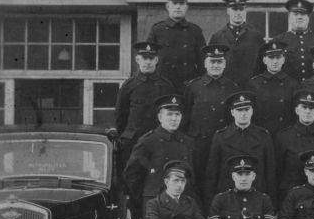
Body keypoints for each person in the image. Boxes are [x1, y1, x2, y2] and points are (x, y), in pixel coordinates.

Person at [124, 94, 196, 219]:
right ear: (160, 117)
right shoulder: (148, 141)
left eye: (177, 115)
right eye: (169, 114)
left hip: (181, 202)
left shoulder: (187, 142)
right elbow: (132, 173)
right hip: (155, 201)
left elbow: (192, 174)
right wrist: (145, 195)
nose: (173, 119)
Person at [182, 44, 240, 201]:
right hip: (199, 145)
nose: (216, 65)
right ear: (205, 63)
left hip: (224, 144)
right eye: (212, 62)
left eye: (219, 62)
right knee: (198, 182)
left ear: (225, 64)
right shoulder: (193, 87)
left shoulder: (232, 88)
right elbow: (185, 119)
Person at [204, 91, 276, 207]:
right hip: (227, 198)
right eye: (239, 110)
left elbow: (270, 174)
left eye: (246, 110)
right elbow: (212, 174)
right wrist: (210, 206)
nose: (243, 114)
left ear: (252, 111)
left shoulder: (264, 136)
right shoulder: (220, 137)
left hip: (256, 198)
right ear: (232, 112)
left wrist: (272, 206)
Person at [114, 41, 176, 176]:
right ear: (137, 59)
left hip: (158, 142)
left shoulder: (166, 86)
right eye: (144, 58)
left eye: (151, 58)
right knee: (131, 178)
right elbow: (120, 116)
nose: (147, 62)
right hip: (132, 142)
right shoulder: (129, 86)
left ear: (156, 60)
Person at [274, 90, 314, 203]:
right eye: (304, 107)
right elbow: (278, 170)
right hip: (291, 196)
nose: (307, 111)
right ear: (297, 110)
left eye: (311, 108)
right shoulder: (283, 136)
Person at [146, 0, 206, 91]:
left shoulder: (195, 31)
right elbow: (147, 59)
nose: (178, 6)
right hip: (163, 86)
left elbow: (202, 63)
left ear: (186, 7)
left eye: (182, 3)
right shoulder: (157, 30)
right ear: (168, 6)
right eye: (174, 3)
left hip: (188, 87)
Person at [208, 0, 264, 88]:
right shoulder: (217, 37)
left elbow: (263, 64)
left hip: (251, 88)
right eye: (234, 9)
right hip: (225, 88)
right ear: (228, 11)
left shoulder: (256, 36)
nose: (238, 13)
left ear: (245, 11)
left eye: (241, 9)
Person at [247, 40, 299, 136]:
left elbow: (295, 114)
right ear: (264, 60)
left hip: (285, 134)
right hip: (261, 134)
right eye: (271, 58)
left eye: (278, 57)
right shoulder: (254, 84)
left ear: (283, 59)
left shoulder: (292, 84)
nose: (275, 61)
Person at [273, 0, 314, 82]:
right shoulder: (279, 40)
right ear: (289, 18)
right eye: (295, 14)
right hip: (288, 90)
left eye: (303, 14)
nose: (299, 17)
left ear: (308, 18)